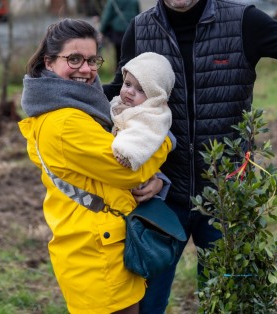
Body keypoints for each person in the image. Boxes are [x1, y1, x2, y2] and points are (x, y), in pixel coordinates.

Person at [102, 1, 277, 313]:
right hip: (160, 197)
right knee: (143, 307)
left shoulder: (243, 21)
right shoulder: (140, 29)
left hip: (228, 200)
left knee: (228, 305)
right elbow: (120, 99)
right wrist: (65, 88)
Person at [18, 18, 174, 314]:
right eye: (74, 59)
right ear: (49, 62)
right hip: (94, 255)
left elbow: (112, 168)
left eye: (92, 59)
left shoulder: (82, 105)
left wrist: (155, 179)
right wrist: (165, 141)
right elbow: (126, 168)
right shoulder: (65, 121)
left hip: (101, 243)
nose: (86, 69)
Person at [111, 52, 175, 171]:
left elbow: (143, 134)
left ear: (155, 97)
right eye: (127, 84)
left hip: (129, 165)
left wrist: (127, 152)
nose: (130, 91)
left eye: (141, 90)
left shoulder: (151, 115)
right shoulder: (119, 102)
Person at [99, 0, 140, 69]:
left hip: (118, 31)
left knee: (119, 55)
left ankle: (120, 73)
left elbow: (107, 16)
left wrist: (102, 31)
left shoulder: (113, 1)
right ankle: (131, 72)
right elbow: (138, 14)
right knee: (131, 54)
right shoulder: (135, 1)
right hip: (132, 29)